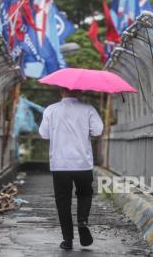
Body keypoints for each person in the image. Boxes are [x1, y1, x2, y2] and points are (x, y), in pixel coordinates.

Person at [39, 87, 104, 250]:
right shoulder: (88, 109)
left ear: (61, 90)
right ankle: (82, 221)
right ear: (80, 92)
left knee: (63, 201)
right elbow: (98, 131)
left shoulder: (51, 110)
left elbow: (44, 134)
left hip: (60, 164)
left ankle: (67, 240)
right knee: (85, 194)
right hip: (82, 163)